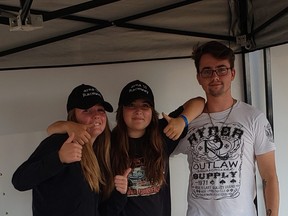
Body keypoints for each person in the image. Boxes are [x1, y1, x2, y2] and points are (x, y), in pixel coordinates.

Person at [47, 80, 205, 216]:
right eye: (131, 105)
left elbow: (199, 102)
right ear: (121, 111)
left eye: (145, 105)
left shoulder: (164, 133)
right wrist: (68, 125)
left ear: (152, 111)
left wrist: (183, 120)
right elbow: (51, 129)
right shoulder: (107, 141)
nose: (139, 111)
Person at [172, 41, 279, 216]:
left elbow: (269, 176)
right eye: (207, 71)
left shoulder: (254, 118)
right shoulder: (188, 121)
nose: (215, 77)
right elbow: (157, 149)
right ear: (198, 77)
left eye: (222, 69)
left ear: (232, 73)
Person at [12, 84, 116, 216]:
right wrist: (59, 158)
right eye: (87, 110)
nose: (96, 115)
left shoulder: (101, 148)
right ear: (73, 116)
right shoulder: (59, 142)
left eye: (100, 110)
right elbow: (20, 181)